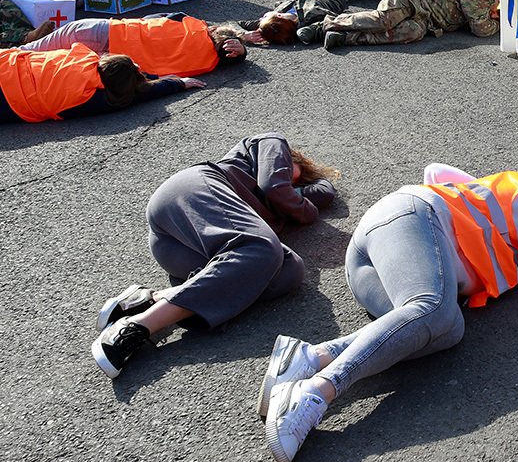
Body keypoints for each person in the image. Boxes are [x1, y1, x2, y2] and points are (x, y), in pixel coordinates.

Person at [259, 162, 518, 462]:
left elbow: (436, 171)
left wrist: (470, 195)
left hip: (377, 257)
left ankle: (309, 357)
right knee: (434, 309)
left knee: (448, 328)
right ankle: (316, 392)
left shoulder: (501, 199)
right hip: (409, 219)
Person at [91, 134, 337, 378]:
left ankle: (150, 299)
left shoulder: (274, 204)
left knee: (290, 270)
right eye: (291, 171)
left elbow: (323, 192)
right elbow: (275, 186)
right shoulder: (271, 143)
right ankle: (138, 326)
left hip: (184, 250)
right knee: (262, 248)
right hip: (190, 193)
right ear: (293, 158)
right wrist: (300, 205)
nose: (291, 180)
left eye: (298, 185)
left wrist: (299, 194)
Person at [0, 46, 203, 124]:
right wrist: (177, 83)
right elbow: (139, 93)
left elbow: (130, 76)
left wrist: (166, 78)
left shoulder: (82, 56)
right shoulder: (90, 98)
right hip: (11, 99)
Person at [18, 14, 247, 76]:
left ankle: (27, 40)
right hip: (108, 55)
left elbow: (155, 17)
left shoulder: (192, 24)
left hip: (102, 31)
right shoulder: (206, 62)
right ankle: (28, 39)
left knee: (21, 56)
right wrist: (241, 50)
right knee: (35, 66)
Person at [313, 0, 498, 50]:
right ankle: (325, 24)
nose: (495, 15)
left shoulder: (486, 7)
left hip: (426, 18)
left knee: (413, 32)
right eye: (498, 11)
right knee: (384, 21)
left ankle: (344, 38)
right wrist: (498, 25)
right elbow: (481, 29)